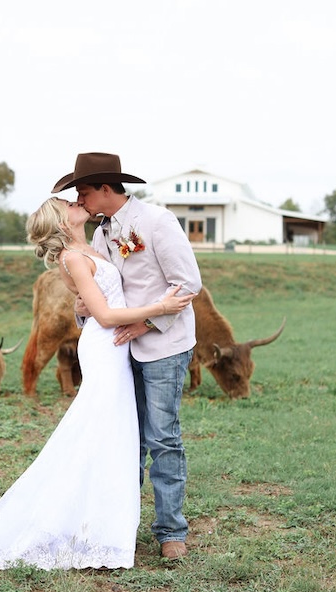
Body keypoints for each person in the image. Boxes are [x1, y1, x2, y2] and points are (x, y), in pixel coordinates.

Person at [0, 197, 193, 570]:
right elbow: (104, 315)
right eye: (69, 203)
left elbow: (97, 299)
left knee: (115, 436)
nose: (78, 202)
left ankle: (108, 519)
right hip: (108, 347)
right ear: (61, 221)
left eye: (79, 197)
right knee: (100, 434)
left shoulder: (93, 244)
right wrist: (159, 309)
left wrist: (85, 307)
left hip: (124, 347)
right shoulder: (73, 257)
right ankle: (85, 521)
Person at [51, 152, 202, 559]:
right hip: (117, 353)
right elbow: (99, 295)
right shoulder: (100, 234)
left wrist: (147, 324)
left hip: (163, 347)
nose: (80, 199)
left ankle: (171, 532)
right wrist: (81, 312)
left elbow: (188, 284)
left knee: (163, 438)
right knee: (124, 441)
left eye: (83, 190)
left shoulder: (157, 221)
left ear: (105, 188)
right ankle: (120, 525)